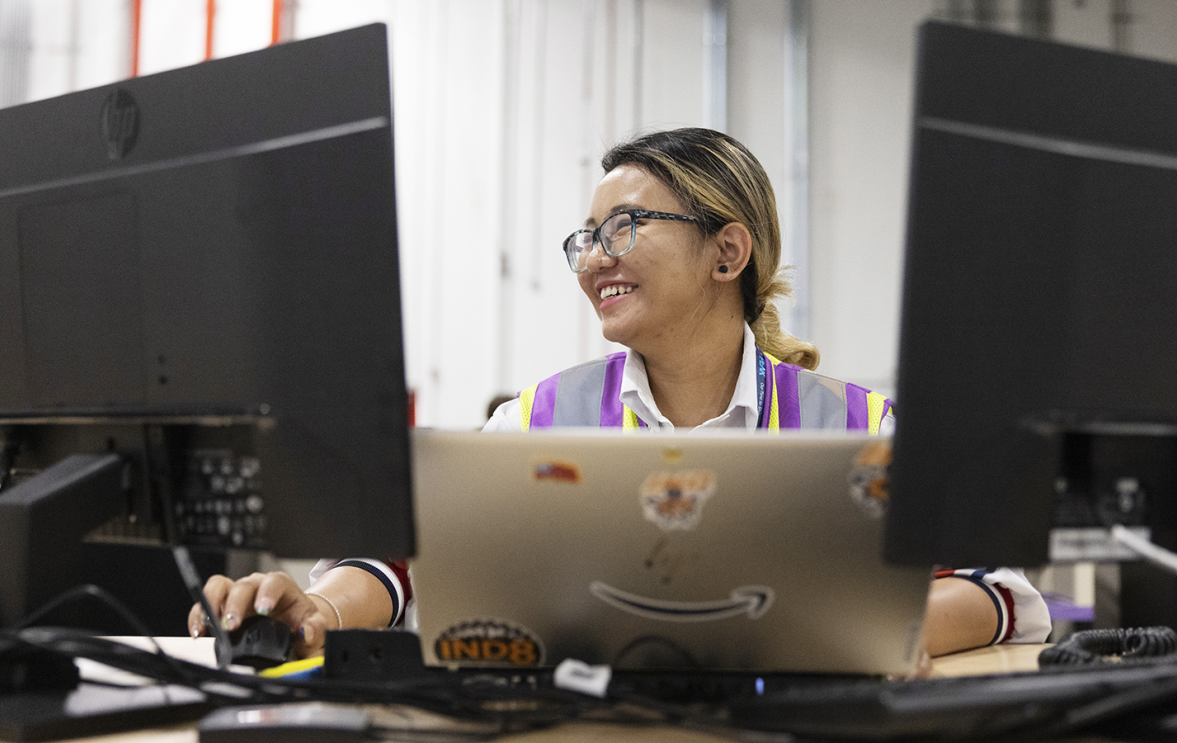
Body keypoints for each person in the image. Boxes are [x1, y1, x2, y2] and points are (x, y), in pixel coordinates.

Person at [188, 128, 1050, 659]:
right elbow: (404, 564)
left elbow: (1007, 589)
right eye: (586, 238)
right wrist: (322, 610)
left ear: (727, 251)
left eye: (625, 227)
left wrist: (883, 633)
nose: (595, 257)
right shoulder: (532, 421)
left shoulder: (861, 424)